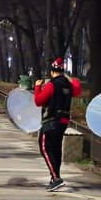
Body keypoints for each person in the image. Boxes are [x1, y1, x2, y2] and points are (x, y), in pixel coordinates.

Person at [34, 57, 82, 192]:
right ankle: (55, 176)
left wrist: (37, 87)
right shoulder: (68, 84)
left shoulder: (51, 85)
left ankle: (55, 178)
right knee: (56, 149)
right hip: (64, 121)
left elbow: (38, 101)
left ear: (51, 71)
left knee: (44, 147)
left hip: (51, 121)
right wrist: (67, 76)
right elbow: (77, 88)